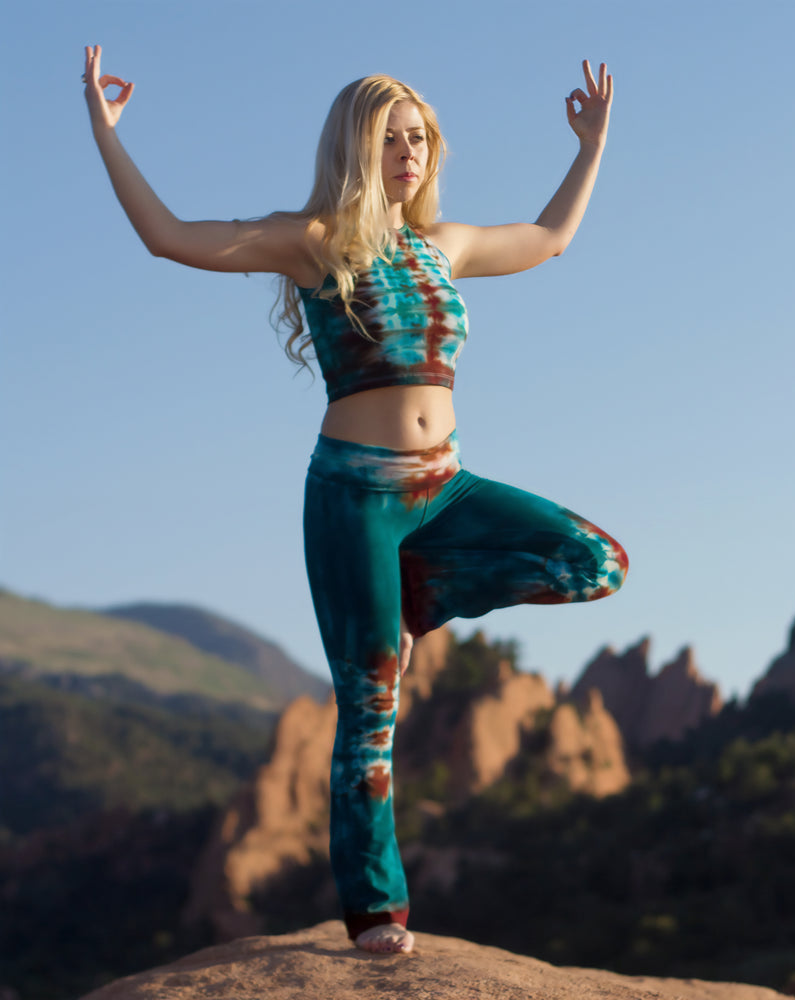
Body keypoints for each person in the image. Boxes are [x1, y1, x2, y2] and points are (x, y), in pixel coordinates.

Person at [83, 45, 628, 955]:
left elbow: (549, 239)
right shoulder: (311, 240)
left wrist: (591, 146)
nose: (410, 153)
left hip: (444, 484)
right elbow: (168, 236)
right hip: (355, 499)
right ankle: (377, 908)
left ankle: (415, 599)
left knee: (593, 560)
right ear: (355, 146)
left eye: (420, 138)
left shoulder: (441, 246)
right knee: (369, 705)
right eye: (391, 138)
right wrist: (106, 132)